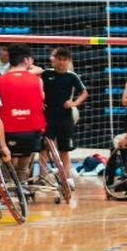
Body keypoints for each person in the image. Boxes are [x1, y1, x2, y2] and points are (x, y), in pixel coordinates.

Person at [0, 45, 48, 180]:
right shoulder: (37, 80)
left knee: (7, 157)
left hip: (7, 135)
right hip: (32, 134)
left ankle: (8, 181)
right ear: (26, 60)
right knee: (24, 162)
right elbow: (41, 99)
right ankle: (23, 179)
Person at [42, 48, 89, 177]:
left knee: (64, 150)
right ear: (55, 59)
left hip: (64, 118)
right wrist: (38, 101)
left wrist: (74, 103)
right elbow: (35, 86)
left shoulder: (72, 76)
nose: (62, 62)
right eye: (59, 59)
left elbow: (84, 92)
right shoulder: (45, 74)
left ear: (68, 61)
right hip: (48, 117)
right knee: (44, 148)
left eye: (64, 60)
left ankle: (67, 178)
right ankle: (42, 177)